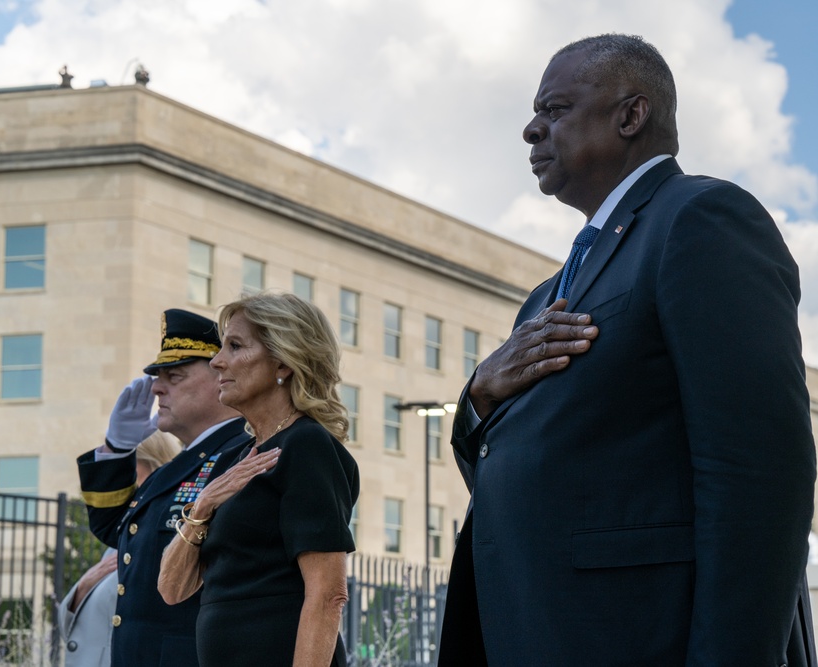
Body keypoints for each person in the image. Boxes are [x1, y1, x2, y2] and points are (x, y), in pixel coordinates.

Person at [438, 34, 817, 666]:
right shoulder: (546, 295)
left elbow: (760, 472)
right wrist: (477, 395)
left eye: (554, 109)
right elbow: (517, 467)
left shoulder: (700, 218)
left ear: (630, 115)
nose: (531, 131)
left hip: (638, 636)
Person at [158, 292, 360, 667]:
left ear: (283, 361)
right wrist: (202, 506)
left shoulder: (306, 446)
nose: (217, 362)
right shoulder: (234, 462)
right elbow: (172, 589)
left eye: (235, 346)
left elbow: (328, 594)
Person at [77, 309, 251, 667]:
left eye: (175, 375)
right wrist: (116, 450)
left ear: (221, 376)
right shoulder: (178, 468)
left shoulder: (241, 457)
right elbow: (116, 530)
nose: (156, 388)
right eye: (158, 377)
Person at [57, 430, 181, 666]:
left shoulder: (164, 540)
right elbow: (69, 631)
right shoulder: (118, 544)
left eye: (129, 476)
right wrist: (83, 586)